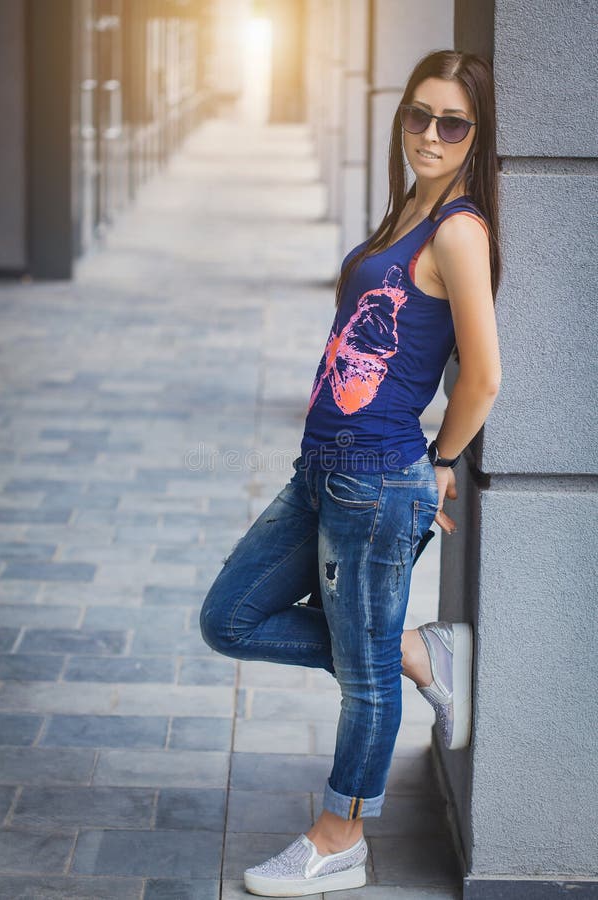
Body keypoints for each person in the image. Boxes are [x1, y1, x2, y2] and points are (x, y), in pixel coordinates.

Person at [200, 48, 502, 896]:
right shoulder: (410, 203)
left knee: (362, 679)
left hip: (378, 481)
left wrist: (443, 463)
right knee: (230, 618)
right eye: (419, 115)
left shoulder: (459, 230)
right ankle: (415, 649)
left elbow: (482, 377)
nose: (430, 135)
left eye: (453, 123)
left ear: (476, 137)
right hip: (322, 468)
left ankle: (341, 837)